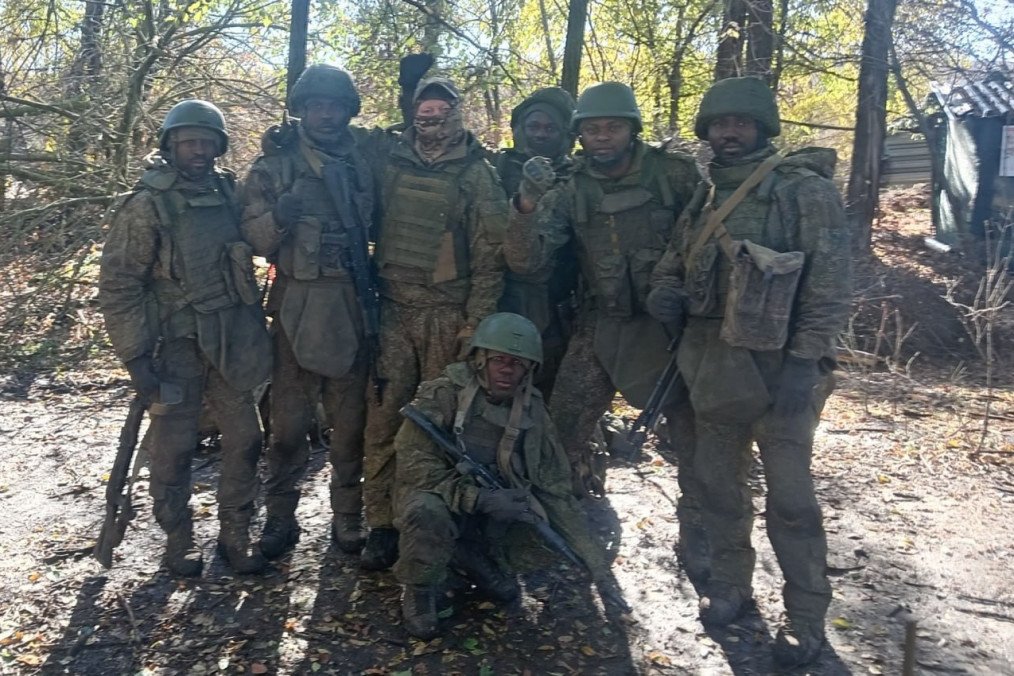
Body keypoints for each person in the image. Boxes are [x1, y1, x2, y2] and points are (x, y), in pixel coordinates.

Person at [647, 76, 852, 667]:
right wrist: (666, 292)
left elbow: (831, 284)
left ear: (763, 127)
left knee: (791, 502)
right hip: (713, 366)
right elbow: (675, 260)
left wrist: (804, 362)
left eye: (740, 123)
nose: (728, 133)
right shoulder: (708, 195)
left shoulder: (801, 191)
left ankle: (808, 618)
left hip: (782, 369)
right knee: (717, 487)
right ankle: (732, 589)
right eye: (718, 124)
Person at [504, 82, 701, 507]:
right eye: (593, 130)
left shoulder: (675, 175)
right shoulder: (570, 187)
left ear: (632, 130)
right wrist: (525, 203)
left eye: (614, 128)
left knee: (694, 442)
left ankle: (700, 536)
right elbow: (526, 262)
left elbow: (706, 245)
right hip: (599, 324)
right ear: (580, 135)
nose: (604, 137)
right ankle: (550, 526)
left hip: (669, 328)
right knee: (561, 434)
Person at [99, 100, 272, 576]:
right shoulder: (147, 205)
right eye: (188, 141)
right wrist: (135, 358)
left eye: (206, 141)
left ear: (219, 146)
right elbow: (118, 284)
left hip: (231, 341)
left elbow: (257, 237)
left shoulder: (227, 191)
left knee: (247, 438)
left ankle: (235, 536)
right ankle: (178, 539)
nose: (198, 149)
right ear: (171, 145)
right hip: (175, 347)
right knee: (173, 447)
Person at [357, 76, 507, 571]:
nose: (431, 124)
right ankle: (381, 523)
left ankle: (435, 525)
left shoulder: (477, 175)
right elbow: (337, 145)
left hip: (448, 317)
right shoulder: (388, 160)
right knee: (382, 421)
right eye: (423, 115)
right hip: (393, 311)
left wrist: (475, 325)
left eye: (440, 114)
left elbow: (490, 259)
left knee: (439, 428)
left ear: (457, 116)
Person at [391, 312, 609, 639]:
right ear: (480, 360)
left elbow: (556, 489)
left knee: (544, 529)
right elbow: (414, 464)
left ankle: (475, 558)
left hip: (497, 508)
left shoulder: (533, 412)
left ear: (529, 370)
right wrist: (477, 498)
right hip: (441, 496)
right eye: (500, 360)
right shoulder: (445, 394)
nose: (508, 369)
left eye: (518, 363)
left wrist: (598, 566)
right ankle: (420, 589)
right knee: (425, 511)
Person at [239, 64, 375, 558]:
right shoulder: (274, 166)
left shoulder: (366, 161)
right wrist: (280, 215)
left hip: (353, 305)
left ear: (347, 111)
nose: (326, 114)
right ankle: (279, 520)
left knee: (351, 424)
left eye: (335, 105)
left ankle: (348, 518)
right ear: (300, 110)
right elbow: (250, 233)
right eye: (315, 105)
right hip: (295, 306)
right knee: (288, 427)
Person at [491, 87, 578, 396]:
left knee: (541, 389)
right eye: (533, 127)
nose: (541, 134)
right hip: (495, 297)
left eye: (550, 128)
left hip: (552, 306)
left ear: (566, 135)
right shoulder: (494, 169)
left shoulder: (577, 179)